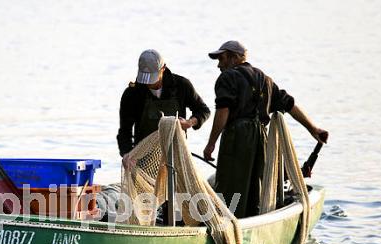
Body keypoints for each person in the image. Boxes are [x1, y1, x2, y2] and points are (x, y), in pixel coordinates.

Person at [203, 40, 329, 218]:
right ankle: (254, 223)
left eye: (221, 59)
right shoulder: (265, 80)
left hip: (237, 139)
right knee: (257, 187)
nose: (219, 65)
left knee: (230, 186)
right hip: (262, 140)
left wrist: (211, 144)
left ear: (233, 58)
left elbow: (223, 111)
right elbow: (290, 105)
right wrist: (313, 129)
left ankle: (228, 222)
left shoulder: (227, 77)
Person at [118, 49, 211, 168]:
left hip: (177, 154)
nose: (149, 84)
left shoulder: (181, 85)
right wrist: (126, 154)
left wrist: (189, 122)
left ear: (163, 68)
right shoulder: (132, 93)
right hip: (143, 158)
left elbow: (203, 110)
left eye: (152, 78)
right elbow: (124, 131)